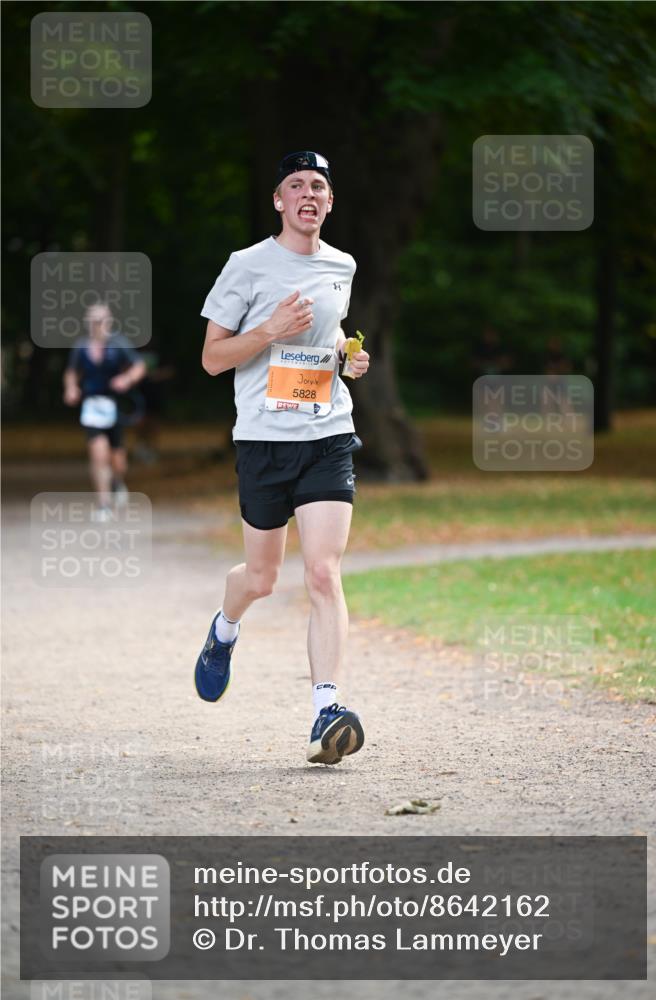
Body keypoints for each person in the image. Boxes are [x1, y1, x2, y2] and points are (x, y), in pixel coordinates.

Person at [196, 150, 370, 766]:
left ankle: (327, 707)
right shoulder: (246, 266)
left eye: (318, 185)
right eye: (294, 184)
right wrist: (268, 330)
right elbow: (214, 358)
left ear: (329, 201)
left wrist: (349, 360)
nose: (307, 193)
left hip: (327, 433)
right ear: (278, 200)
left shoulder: (342, 264)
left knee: (323, 572)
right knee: (262, 579)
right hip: (264, 441)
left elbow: (331, 340)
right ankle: (223, 630)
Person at [63, 302, 146, 520]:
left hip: (114, 406)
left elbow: (139, 366)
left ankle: (118, 482)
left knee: (118, 461)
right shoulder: (81, 347)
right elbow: (72, 372)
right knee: (98, 455)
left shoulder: (118, 344)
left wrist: (126, 379)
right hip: (91, 406)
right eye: (93, 321)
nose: (97, 325)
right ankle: (103, 505)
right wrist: (71, 388)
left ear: (109, 321)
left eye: (101, 320)